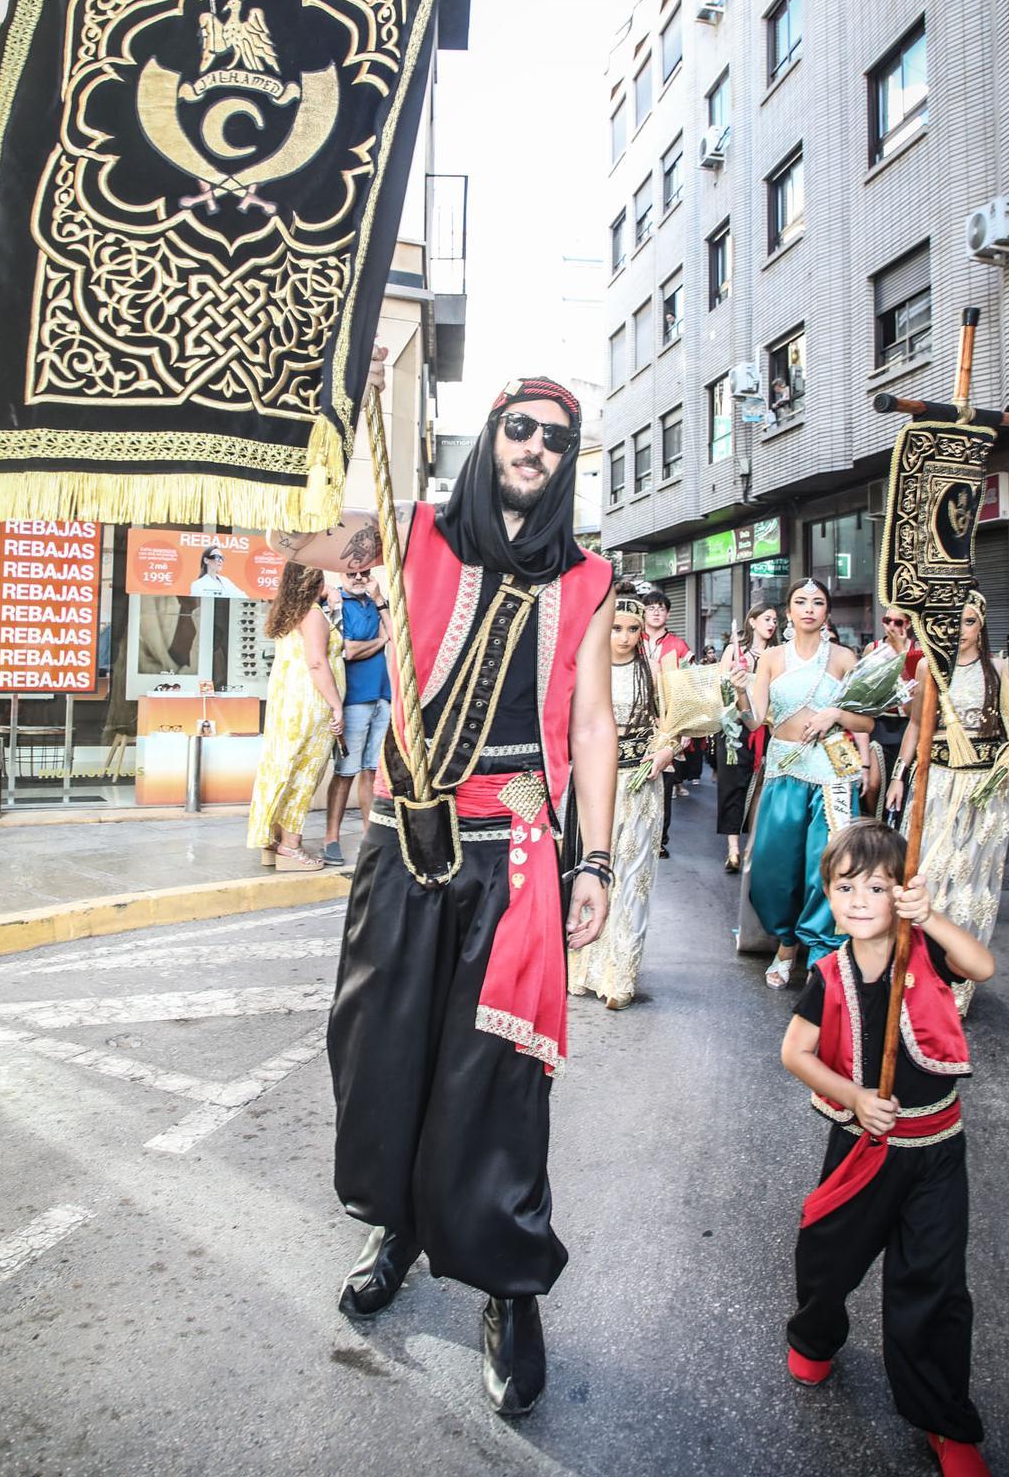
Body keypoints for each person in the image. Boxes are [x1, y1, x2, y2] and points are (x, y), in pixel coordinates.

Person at [274, 364, 617, 1419]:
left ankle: (510, 1286)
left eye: (556, 440)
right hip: (399, 837)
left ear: (567, 464)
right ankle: (398, 1222)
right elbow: (294, 546)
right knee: (380, 1049)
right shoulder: (414, 532)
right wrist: (339, 413)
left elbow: (594, 724)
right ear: (491, 436)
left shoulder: (589, 581)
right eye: (520, 429)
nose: (536, 450)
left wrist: (595, 859)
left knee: (500, 1081)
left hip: (511, 852)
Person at [781, 819, 994, 1477]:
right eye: (847, 887)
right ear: (829, 895)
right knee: (827, 1258)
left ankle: (944, 1420)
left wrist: (931, 917)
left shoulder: (923, 949)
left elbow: (983, 965)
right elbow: (795, 1052)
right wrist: (852, 1095)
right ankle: (816, 1333)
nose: (863, 899)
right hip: (860, 1148)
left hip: (935, 1147)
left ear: (901, 892)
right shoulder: (827, 973)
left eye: (878, 885)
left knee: (933, 1285)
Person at [885, 592, 1009, 1012]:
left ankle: (956, 987)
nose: (961, 631)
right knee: (927, 877)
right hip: (936, 784)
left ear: (982, 625)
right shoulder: (927, 667)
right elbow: (918, 726)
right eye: (953, 622)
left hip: (984, 792)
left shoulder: (998, 670)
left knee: (973, 884)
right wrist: (899, 777)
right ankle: (914, 975)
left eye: (970, 622)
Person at [731, 577, 874, 988]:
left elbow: (866, 721)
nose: (809, 608)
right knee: (774, 867)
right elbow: (755, 719)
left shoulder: (845, 658)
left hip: (832, 773)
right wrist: (741, 695)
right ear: (789, 612)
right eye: (800, 601)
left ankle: (822, 952)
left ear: (827, 611)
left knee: (825, 865)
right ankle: (786, 943)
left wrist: (835, 716)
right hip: (784, 768)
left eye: (817, 601)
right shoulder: (773, 658)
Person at [567, 585, 672, 1009]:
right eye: (616, 628)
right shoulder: (584, 673)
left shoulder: (655, 673)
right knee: (592, 872)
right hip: (596, 787)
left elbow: (675, 725)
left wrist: (666, 751)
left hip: (641, 786)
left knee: (632, 881)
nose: (625, 637)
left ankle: (621, 975)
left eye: (633, 629)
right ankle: (584, 967)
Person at [246, 563, 345, 872]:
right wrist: (336, 704)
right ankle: (291, 845)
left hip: (286, 699)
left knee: (282, 767)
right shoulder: (313, 614)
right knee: (305, 773)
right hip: (309, 702)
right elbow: (317, 663)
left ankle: (271, 841)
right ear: (314, 583)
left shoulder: (285, 612)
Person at [321, 568, 391, 865]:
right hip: (354, 699)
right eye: (353, 573)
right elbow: (347, 651)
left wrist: (379, 600)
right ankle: (331, 837)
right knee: (345, 771)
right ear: (341, 575)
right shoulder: (336, 604)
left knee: (371, 771)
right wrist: (381, 640)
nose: (360, 577)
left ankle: (369, 835)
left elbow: (397, 635)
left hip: (382, 696)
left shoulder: (374, 602)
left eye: (365, 572)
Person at [717, 603, 778, 872]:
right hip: (735, 728)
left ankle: (754, 845)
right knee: (732, 787)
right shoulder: (735, 650)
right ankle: (733, 850)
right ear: (752, 621)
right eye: (766, 618)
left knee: (760, 789)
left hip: (766, 727)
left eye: (775, 620)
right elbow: (720, 686)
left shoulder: (778, 655)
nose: (771, 624)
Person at [861, 608, 924, 822]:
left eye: (898, 622)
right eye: (887, 620)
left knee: (902, 784)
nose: (892, 626)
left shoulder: (918, 651)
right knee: (874, 783)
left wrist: (900, 653)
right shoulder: (874, 648)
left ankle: (894, 829)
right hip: (880, 723)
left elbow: (913, 701)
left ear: (907, 624)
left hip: (907, 724)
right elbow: (862, 688)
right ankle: (872, 821)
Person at [642, 590, 692, 849]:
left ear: (668, 613)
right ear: (643, 612)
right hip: (638, 721)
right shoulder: (631, 638)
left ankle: (660, 839)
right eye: (651, 608)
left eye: (661, 608)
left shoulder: (679, 645)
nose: (656, 612)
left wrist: (686, 727)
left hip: (667, 721)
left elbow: (689, 687)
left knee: (664, 779)